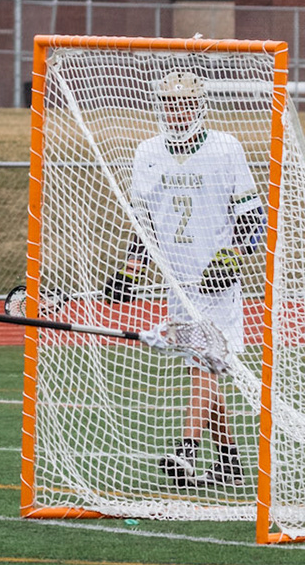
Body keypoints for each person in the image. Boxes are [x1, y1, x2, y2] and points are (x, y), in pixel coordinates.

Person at [104, 70, 262, 489]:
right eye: (170, 104)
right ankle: (228, 462)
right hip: (178, 285)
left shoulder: (226, 148)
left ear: (200, 105)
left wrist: (231, 258)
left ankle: (186, 449)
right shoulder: (147, 152)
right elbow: (144, 226)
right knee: (204, 366)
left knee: (202, 365)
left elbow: (254, 219)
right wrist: (131, 269)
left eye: (186, 103)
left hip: (216, 284)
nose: (178, 111)